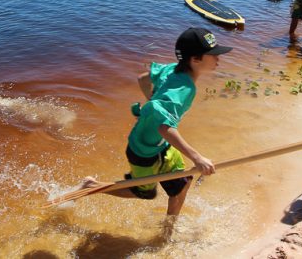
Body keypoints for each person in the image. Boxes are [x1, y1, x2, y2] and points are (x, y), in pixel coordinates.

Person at [82, 27, 232, 215]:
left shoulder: (172, 69)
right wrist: (197, 158)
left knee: (182, 183)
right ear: (195, 59)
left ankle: (168, 229)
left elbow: (143, 79)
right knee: (144, 193)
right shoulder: (184, 89)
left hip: (161, 145)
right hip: (144, 150)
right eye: (213, 54)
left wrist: (152, 105)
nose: (218, 58)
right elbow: (164, 128)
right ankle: (91, 185)